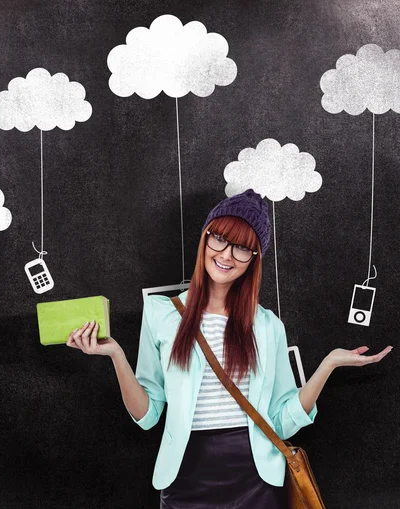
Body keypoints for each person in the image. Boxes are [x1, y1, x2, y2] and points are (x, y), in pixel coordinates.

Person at [66, 188, 393, 509]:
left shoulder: (267, 327)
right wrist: (117, 356)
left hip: (254, 476)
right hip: (185, 474)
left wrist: (328, 366)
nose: (226, 255)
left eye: (241, 248)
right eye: (219, 239)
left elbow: (280, 421)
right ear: (205, 238)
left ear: (254, 260)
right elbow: (148, 415)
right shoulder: (161, 313)